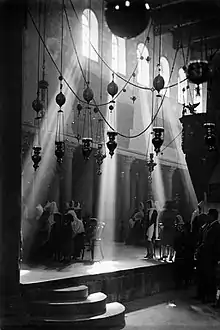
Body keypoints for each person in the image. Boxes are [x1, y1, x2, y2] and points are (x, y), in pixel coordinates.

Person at [196, 208, 220, 303]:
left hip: (210, 256)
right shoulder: (208, 226)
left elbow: (210, 242)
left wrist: (202, 247)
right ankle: (202, 295)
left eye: (209, 215)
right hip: (204, 255)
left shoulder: (216, 227)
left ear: (212, 216)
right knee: (203, 275)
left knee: (210, 277)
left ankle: (210, 297)